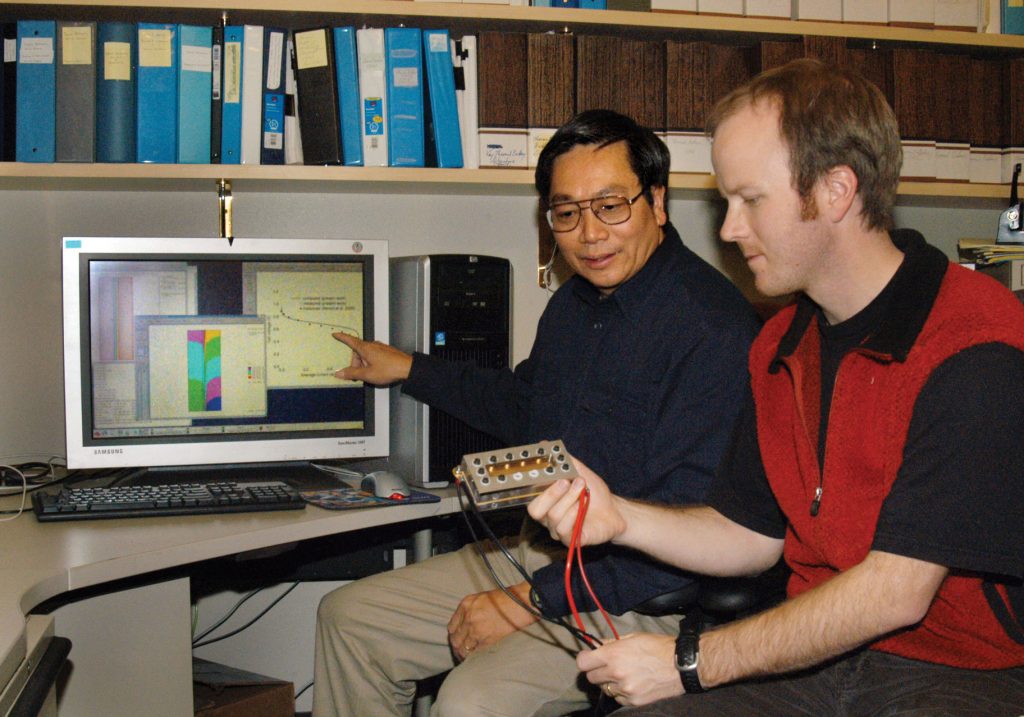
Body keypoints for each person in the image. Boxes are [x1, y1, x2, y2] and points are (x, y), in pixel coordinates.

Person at [528, 58, 1024, 716]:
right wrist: (622, 515)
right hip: (816, 660)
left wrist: (688, 660)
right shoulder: (781, 344)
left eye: (750, 200)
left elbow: (895, 591)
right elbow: (751, 535)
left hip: (963, 675)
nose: (728, 229)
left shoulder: (975, 344)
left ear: (837, 191)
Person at [311, 109, 760, 717]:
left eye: (611, 205)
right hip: (547, 555)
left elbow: (689, 536)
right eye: (566, 212)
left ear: (657, 202)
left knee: (469, 702)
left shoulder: (712, 330)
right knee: (349, 620)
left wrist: (530, 600)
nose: (589, 233)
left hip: (639, 593)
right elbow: (525, 403)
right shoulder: (578, 303)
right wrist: (409, 368)